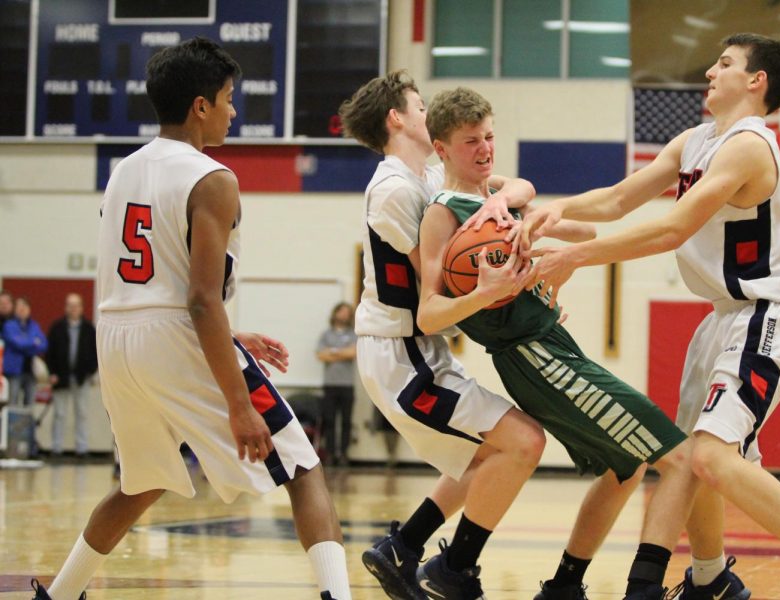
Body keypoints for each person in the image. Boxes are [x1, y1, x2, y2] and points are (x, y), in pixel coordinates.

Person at [519, 33, 780, 599]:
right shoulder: (695, 140)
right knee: (692, 458)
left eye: (724, 64)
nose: (710, 73)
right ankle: (711, 577)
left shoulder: (748, 145)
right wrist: (557, 210)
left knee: (713, 456)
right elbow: (620, 199)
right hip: (722, 318)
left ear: (756, 80)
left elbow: (673, 228)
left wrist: (577, 255)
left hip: (766, 314)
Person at [31, 37, 351, 600]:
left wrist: (228, 334)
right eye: (228, 99)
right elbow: (201, 300)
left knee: (141, 482)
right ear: (200, 105)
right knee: (303, 468)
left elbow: (150, 281)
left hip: (119, 338)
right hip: (176, 333)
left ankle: (58, 595)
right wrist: (237, 405)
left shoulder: (122, 171)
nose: (234, 111)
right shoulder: (213, 178)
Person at [418, 86, 697, 600]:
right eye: (469, 142)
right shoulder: (443, 214)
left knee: (628, 465)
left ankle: (565, 585)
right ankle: (643, 588)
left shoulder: (492, 198)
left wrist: (528, 231)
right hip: (531, 353)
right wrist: (484, 293)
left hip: (553, 341)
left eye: (489, 137)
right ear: (440, 149)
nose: (484, 150)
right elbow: (429, 313)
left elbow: (584, 237)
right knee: (675, 454)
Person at [340, 71, 546, 600]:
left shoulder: (429, 175)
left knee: (486, 458)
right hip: (399, 350)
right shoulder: (392, 189)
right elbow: (441, 281)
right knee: (521, 443)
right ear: (397, 118)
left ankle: (404, 548)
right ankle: (454, 569)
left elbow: (515, 187)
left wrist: (502, 202)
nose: (428, 108)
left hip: (418, 347)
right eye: (420, 103)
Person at [45, 293, 98, 458]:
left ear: (81, 308)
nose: (73, 308)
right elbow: (49, 353)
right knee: (59, 414)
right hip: (61, 378)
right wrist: (52, 373)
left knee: (81, 413)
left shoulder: (89, 328)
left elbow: (96, 353)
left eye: (76, 305)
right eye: (70, 305)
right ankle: (56, 448)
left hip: (82, 378)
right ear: (66, 307)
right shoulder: (57, 327)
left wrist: (90, 372)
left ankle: (82, 449)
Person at [316, 302, 358, 466]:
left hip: (347, 385)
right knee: (330, 420)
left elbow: (353, 353)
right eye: (342, 312)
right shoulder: (325, 335)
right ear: (335, 313)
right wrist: (342, 352)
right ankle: (331, 454)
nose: (344, 315)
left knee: (346, 421)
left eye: (348, 312)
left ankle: (344, 455)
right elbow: (321, 355)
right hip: (330, 384)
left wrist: (332, 352)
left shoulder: (353, 334)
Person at [2, 297, 48, 407]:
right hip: (14, 371)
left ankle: (27, 425)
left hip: (30, 372)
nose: (22, 309)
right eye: (19, 306)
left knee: (30, 404)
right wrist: (33, 342)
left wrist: (26, 341)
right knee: (12, 403)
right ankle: (12, 424)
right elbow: (17, 343)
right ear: (15, 309)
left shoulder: (34, 325)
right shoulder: (9, 325)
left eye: (25, 306)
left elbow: (43, 344)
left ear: (29, 309)